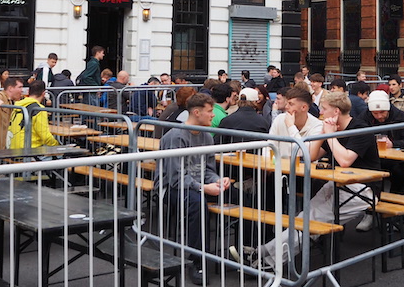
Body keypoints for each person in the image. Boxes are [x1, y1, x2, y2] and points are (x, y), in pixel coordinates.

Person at [237, 90, 379, 270]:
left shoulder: (361, 129)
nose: (321, 113)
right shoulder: (330, 128)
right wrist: (322, 134)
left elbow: (345, 161)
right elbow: (310, 156)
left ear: (336, 112)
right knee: (304, 215)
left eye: (324, 109)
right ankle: (262, 251)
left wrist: (329, 134)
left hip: (363, 190)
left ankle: (269, 261)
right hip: (336, 184)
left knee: (312, 218)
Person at [157, 93, 232, 285]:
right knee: (197, 204)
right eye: (209, 111)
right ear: (197, 112)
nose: (213, 115)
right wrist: (204, 188)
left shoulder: (206, 136)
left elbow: (208, 169)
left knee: (239, 194)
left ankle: (246, 252)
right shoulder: (175, 136)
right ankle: (197, 260)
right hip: (170, 188)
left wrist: (217, 180)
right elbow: (175, 178)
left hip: (194, 185)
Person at [268, 85, 324, 158]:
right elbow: (269, 147)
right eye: (287, 103)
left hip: (304, 168)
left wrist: (291, 126)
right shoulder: (279, 119)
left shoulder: (317, 126)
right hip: (278, 167)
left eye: (291, 104)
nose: (286, 107)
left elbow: (304, 153)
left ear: (304, 107)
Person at [7, 80, 59, 149]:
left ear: (28, 92)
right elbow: (45, 136)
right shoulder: (39, 109)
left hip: (13, 148)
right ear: (43, 94)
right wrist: (57, 145)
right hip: (30, 151)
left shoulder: (18, 106)